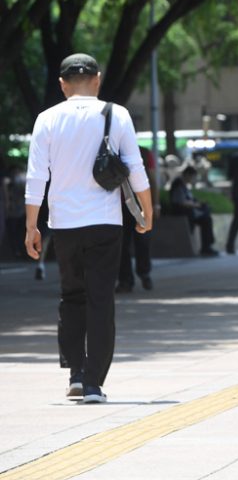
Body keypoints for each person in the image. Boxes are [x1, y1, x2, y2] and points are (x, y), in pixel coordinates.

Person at [24, 53, 153, 403]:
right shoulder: (117, 114)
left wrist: (31, 225)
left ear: (62, 84)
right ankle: (95, 382)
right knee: (100, 299)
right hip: (105, 222)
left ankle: (76, 374)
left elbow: (37, 177)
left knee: (71, 296)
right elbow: (135, 168)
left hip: (63, 223)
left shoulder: (46, 119)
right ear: (97, 79)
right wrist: (147, 211)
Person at [117, 147, 155, 292]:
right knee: (122, 244)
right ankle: (126, 279)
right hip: (119, 205)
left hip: (138, 202)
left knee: (142, 240)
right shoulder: (111, 149)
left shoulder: (144, 152)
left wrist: (152, 205)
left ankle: (144, 273)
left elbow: (150, 178)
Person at [169, 166, 218, 256]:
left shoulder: (183, 185)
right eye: (193, 177)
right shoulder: (178, 184)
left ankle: (207, 246)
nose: (193, 179)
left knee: (206, 218)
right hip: (184, 213)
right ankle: (207, 247)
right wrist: (196, 205)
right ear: (187, 175)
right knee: (206, 219)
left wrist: (198, 204)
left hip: (189, 212)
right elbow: (181, 202)